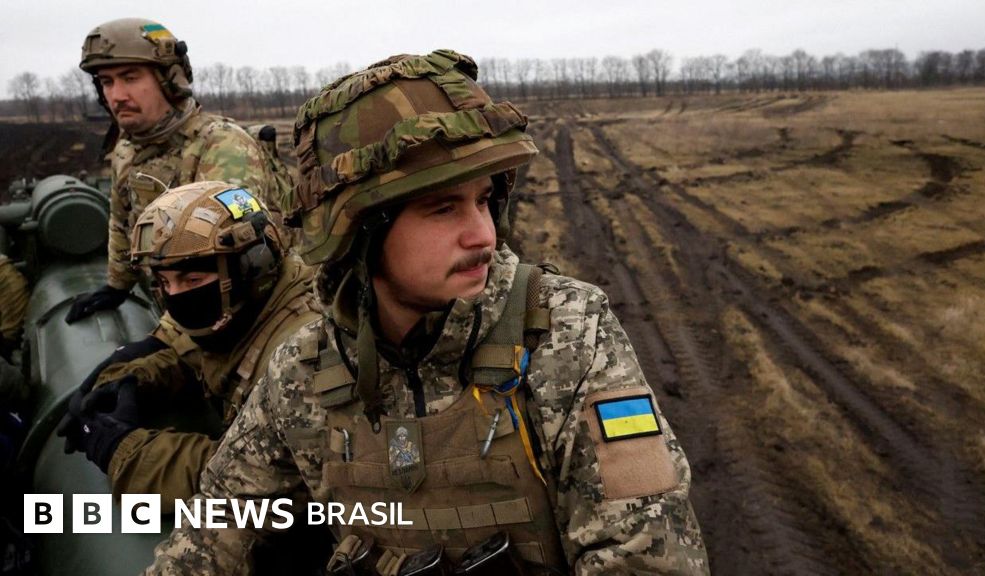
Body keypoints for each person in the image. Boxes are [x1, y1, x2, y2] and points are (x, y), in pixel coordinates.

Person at [148, 50, 709, 575]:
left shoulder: (567, 331)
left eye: (484, 200)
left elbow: (646, 552)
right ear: (359, 231)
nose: (483, 235)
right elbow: (213, 532)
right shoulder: (304, 367)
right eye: (443, 208)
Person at [57, 181, 319, 510]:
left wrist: (124, 452)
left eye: (192, 280)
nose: (177, 296)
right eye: (165, 282)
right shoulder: (245, 312)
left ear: (252, 266)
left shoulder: (307, 352)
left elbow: (268, 482)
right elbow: (199, 354)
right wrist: (135, 378)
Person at [65, 17, 292, 324]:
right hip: (176, 304)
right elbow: (122, 220)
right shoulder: (127, 148)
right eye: (106, 82)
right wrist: (117, 285)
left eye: (130, 78)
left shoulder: (222, 148)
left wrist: (164, 344)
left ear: (169, 79)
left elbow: (230, 271)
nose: (117, 95)